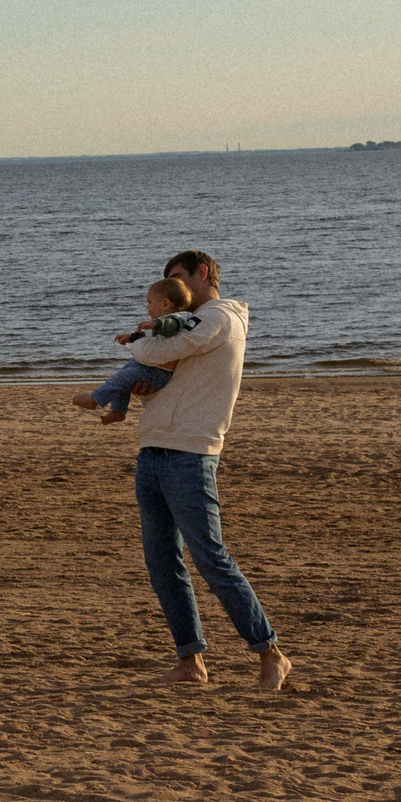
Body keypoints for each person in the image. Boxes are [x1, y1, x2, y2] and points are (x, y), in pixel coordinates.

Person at [126, 250, 293, 691]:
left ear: (203, 274)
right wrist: (145, 390)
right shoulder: (187, 323)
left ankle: (271, 654)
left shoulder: (219, 317)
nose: (176, 289)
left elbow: (164, 349)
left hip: (191, 454)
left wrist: (136, 341)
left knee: (211, 558)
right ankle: (190, 661)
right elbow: (172, 376)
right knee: (162, 563)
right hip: (154, 447)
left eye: (181, 278)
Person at [72, 278, 200, 424]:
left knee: (123, 378)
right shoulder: (159, 322)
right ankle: (118, 410)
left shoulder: (179, 317)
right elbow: (146, 335)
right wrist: (130, 337)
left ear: (165, 304)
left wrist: (156, 324)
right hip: (146, 366)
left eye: (150, 303)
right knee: (121, 378)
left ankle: (95, 400)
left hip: (157, 372)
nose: (147, 308)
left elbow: (171, 326)